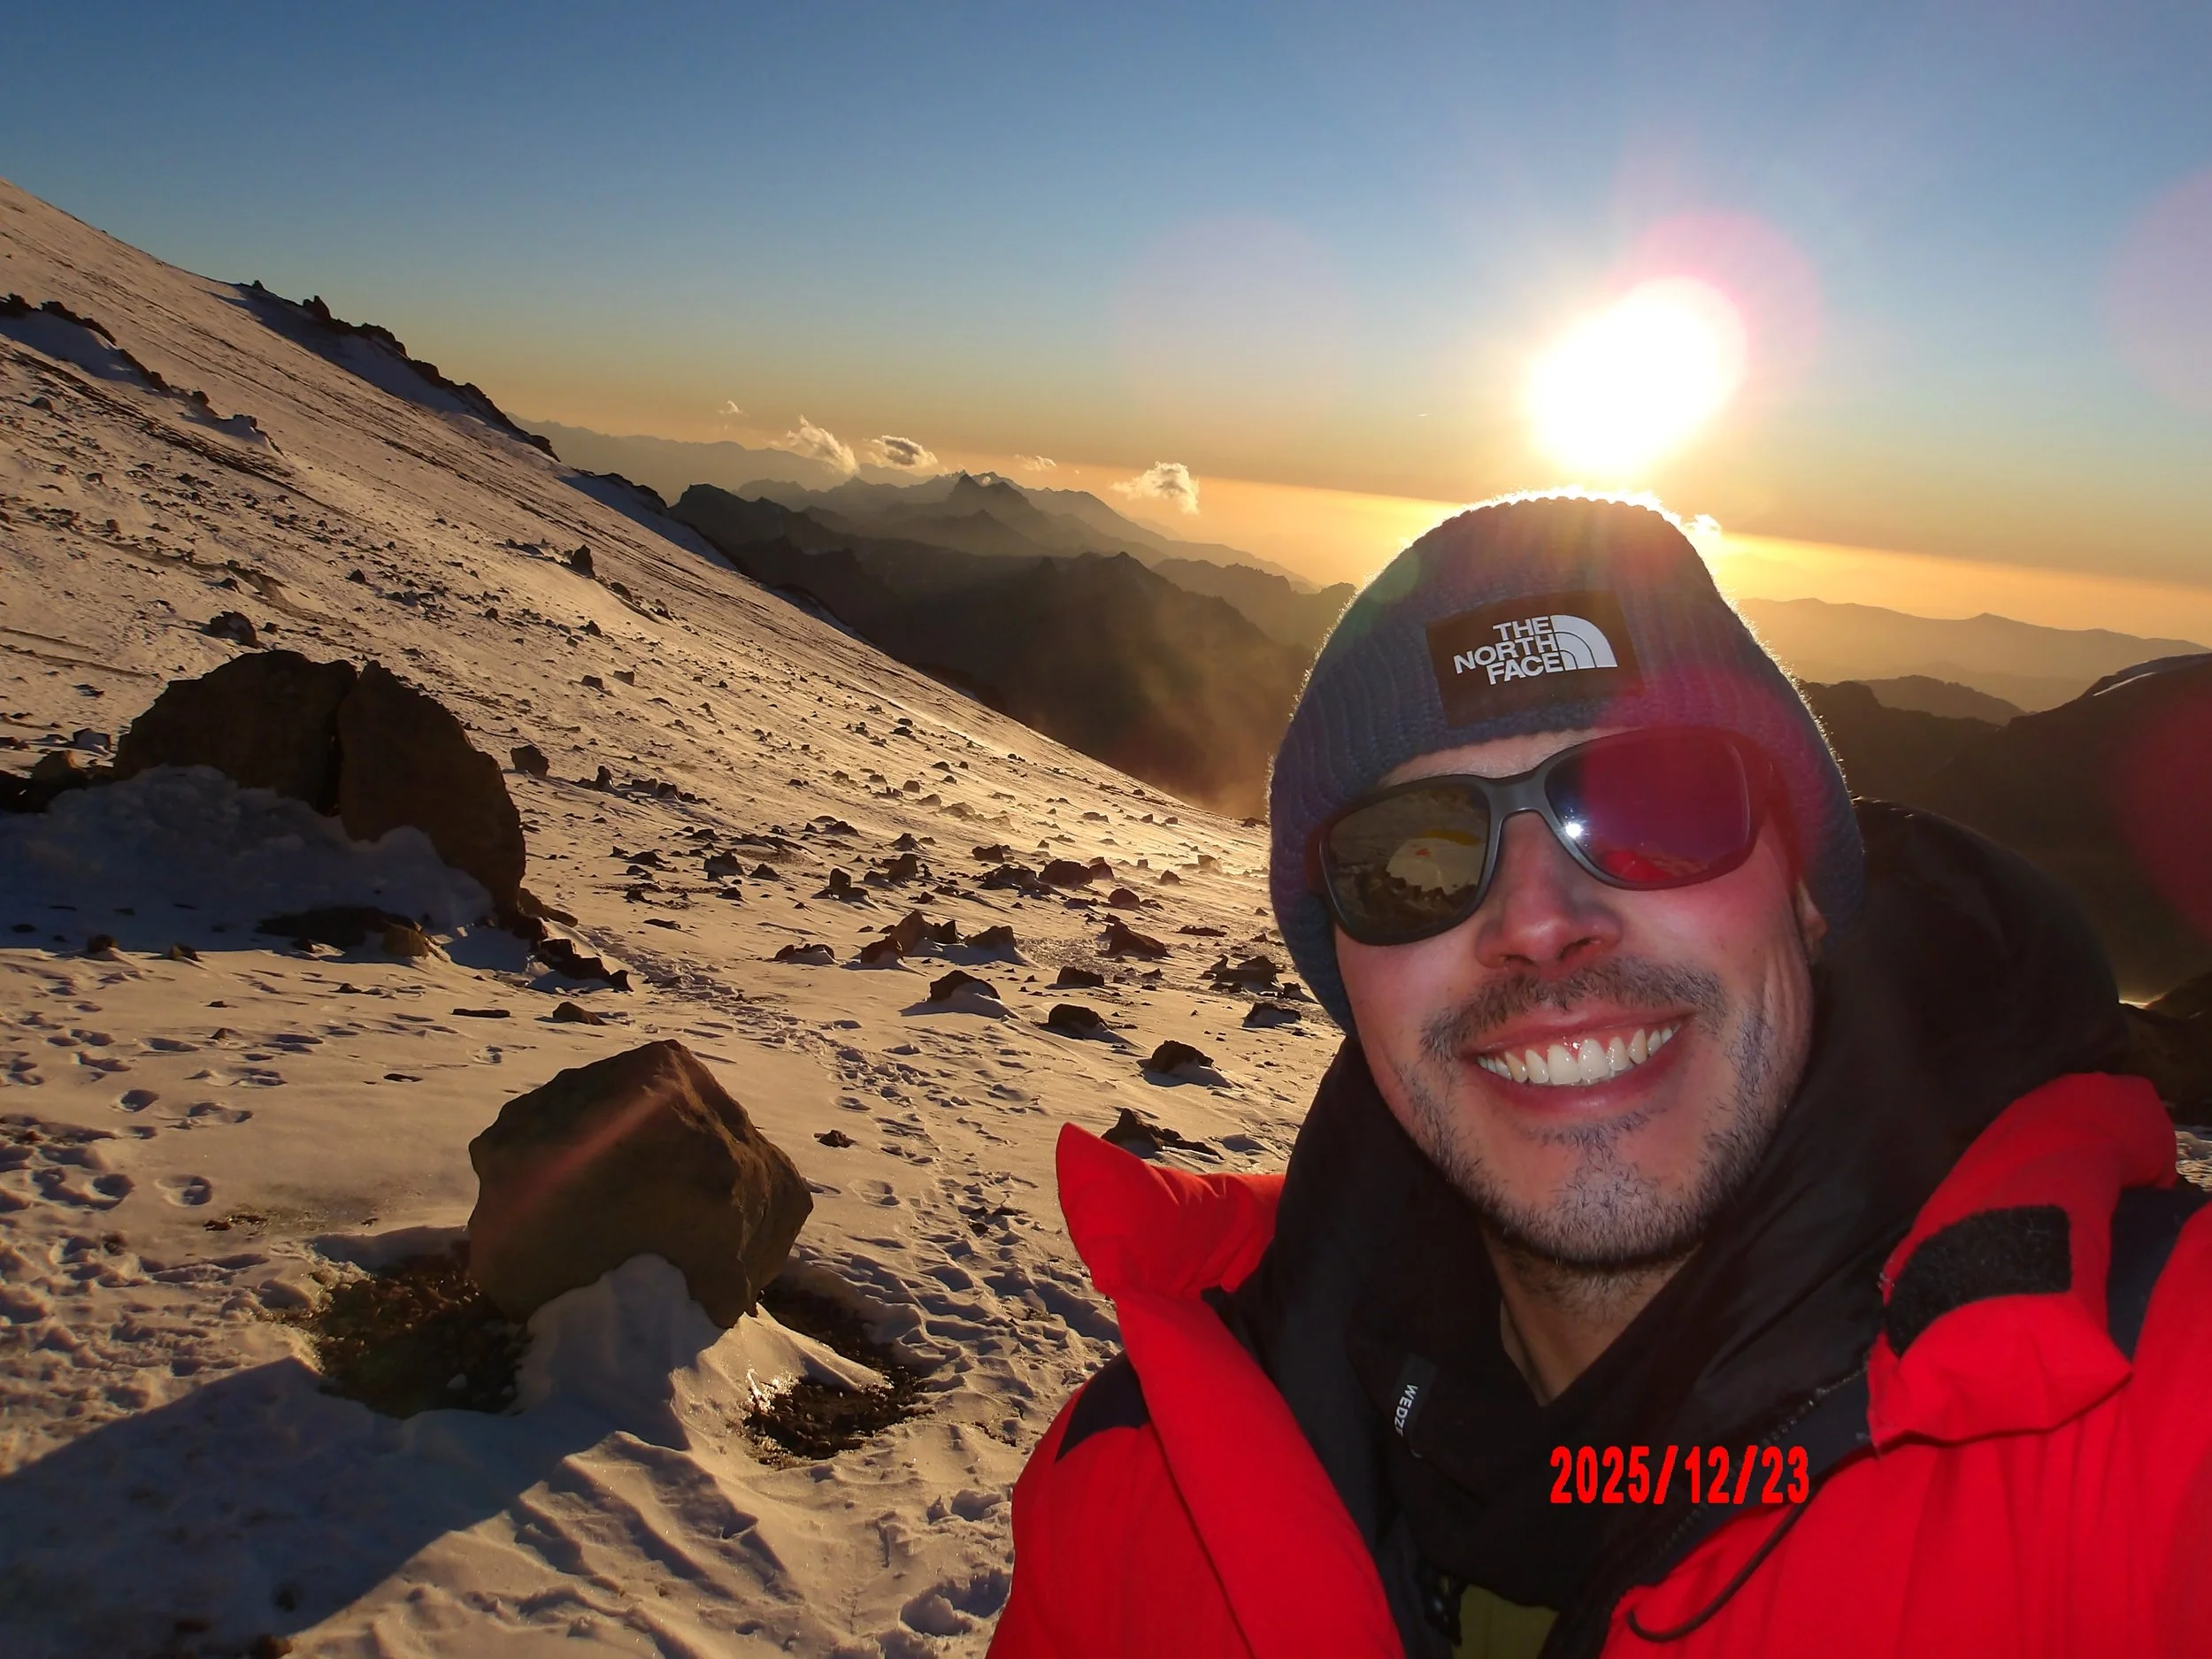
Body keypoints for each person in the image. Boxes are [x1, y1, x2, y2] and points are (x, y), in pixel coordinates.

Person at [988, 495, 2212, 1658]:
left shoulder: (2156, 1411)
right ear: (1349, 975)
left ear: (1805, 891)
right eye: (1415, 858)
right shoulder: (1129, 1490)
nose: (1540, 922)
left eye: (1655, 807)